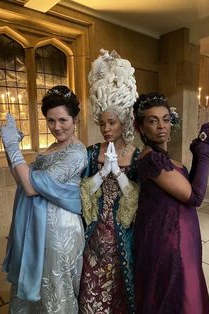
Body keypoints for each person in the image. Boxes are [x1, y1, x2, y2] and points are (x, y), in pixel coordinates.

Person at [0, 85, 88, 313]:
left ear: (75, 119)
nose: (56, 127)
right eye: (50, 121)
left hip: (59, 230)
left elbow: (30, 187)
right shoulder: (52, 148)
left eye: (63, 120)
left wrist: (12, 146)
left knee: (54, 292)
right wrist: (12, 153)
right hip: (37, 227)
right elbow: (21, 179)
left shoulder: (77, 153)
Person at [133, 92, 209, 314]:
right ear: (140, 127)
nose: (162, 126)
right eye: (153, 120)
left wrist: (198, 154)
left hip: (180, 233)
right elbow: (195, 197)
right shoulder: (152, 159)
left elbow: (185, 189)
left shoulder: (161, 156)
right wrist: (204, 154)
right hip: (170, 242)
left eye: (166, 119)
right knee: (177, 298)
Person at [79, 49, 140, 313]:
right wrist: (102, 174)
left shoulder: (135, 155)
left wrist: (119, 174)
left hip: (123, 238)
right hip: (94, 238)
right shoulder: (93, 152)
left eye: (111, 122)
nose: (106, 129)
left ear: (123, 120)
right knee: (90, 297)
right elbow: (84, 194)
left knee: (119, 297)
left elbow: (136, 200)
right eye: (102, 123)